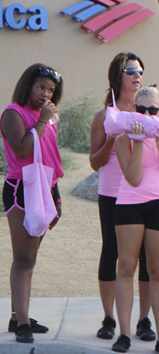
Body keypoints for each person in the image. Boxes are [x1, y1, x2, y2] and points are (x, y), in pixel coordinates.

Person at [113, 86, 159, 354]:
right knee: (126, 266)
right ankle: (124, 333)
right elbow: (133, 178)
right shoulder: (123, 139)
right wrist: (139, 141)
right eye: (141, 110)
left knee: (158, 270)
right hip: (129, 204)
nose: (147, 115)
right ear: (134, 110)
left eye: (152, 110)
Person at [89, 53, 155, 342]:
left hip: (146, 192)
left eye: (140, 70)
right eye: (130, 71)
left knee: (147, 257)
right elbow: (94, 162)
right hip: (113, 192)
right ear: (117, 76)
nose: (137, 75)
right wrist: (112, 142)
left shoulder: (152, 109)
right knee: (112, 252)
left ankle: (143, 320)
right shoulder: (104, 116)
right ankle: (109, 318)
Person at [2, 64, 64, 344]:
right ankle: (23, 324)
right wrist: (42, 121)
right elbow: (23, 148)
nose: (45, 94)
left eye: (50, 90)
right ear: (27, 86)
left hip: (45, 187)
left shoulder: (48, 118)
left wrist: (57, 196)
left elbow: (50, 157)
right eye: (40, 87)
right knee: (24, 258)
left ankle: (18, 317)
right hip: (21, 188)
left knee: (31, 257)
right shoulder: (13, 113)